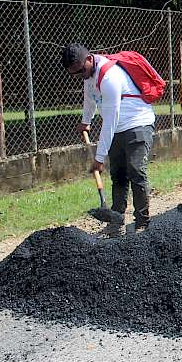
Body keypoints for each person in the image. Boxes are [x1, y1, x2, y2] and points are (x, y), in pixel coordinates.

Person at [61, 44, 156, 233]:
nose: (80, 75)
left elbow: (110, 121)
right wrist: (85, 121)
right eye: (74, 74)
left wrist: (99, 158)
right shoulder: (89, 75)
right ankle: (116, 221)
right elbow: (90, 99)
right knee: (118, 175)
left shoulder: (110, 76)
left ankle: (142, 224)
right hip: (117, 129)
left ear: (89, 59)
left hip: (137, 124)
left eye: (80, 70)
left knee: (136, 172)